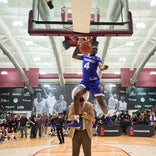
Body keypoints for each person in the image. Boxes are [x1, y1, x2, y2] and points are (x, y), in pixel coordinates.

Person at [71, 42, 112, 126]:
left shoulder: (97, 59)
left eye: (96, 50)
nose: (95, 51)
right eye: (94, 49)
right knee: (76, 95)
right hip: (85, 81)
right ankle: (76, 120)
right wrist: (78, 46)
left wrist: (104, 67)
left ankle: (107, 116)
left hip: (94, 82)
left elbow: (101, 66)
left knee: (100, 101)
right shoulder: (84, 56)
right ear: (90, 48)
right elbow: (74, 56)